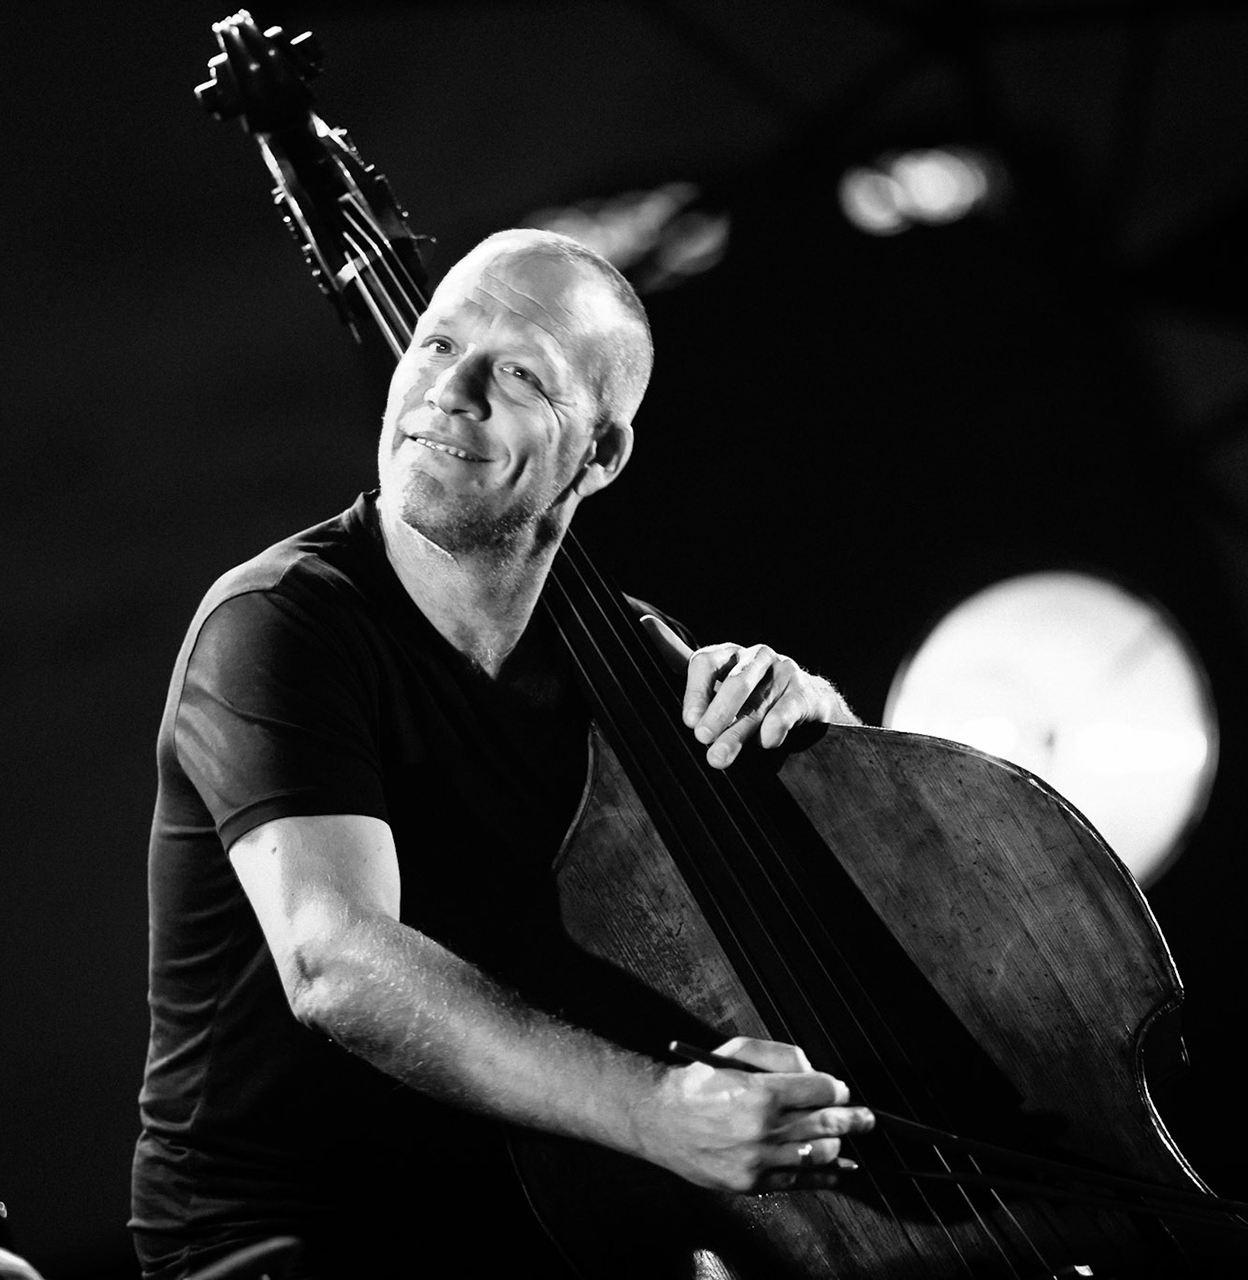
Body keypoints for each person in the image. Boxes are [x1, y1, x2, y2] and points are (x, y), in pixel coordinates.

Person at [131, 229, 872, 1278]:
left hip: (534, 1220)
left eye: (520, 372)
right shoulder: (279, 623)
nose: (450, 389)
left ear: (602, 454)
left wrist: (810, 714)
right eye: (434, 346)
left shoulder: (624, 657)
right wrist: (662, 1113)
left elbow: (847, 841)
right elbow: (334, 958)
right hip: (282, 1241)